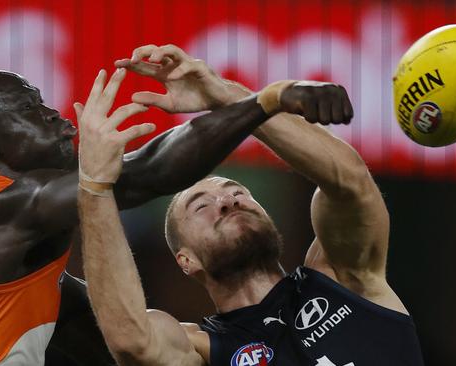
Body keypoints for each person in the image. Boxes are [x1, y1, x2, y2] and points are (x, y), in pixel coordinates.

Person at [0, 56, 278, 365]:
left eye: (42, 101)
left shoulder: (8, 246)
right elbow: (148, 173)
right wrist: (264, 102)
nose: (53, 114)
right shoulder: (10, 206)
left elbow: (114, 336)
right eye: (29, 109)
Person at [79, 45, 424, 365]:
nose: (228, 201)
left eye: (238, 193)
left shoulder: (343, 276)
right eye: (202, 206)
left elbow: (351, 182)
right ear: (186, 260)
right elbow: (130, 339)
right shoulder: (203, 348)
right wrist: (94, 185)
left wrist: (233, 98)